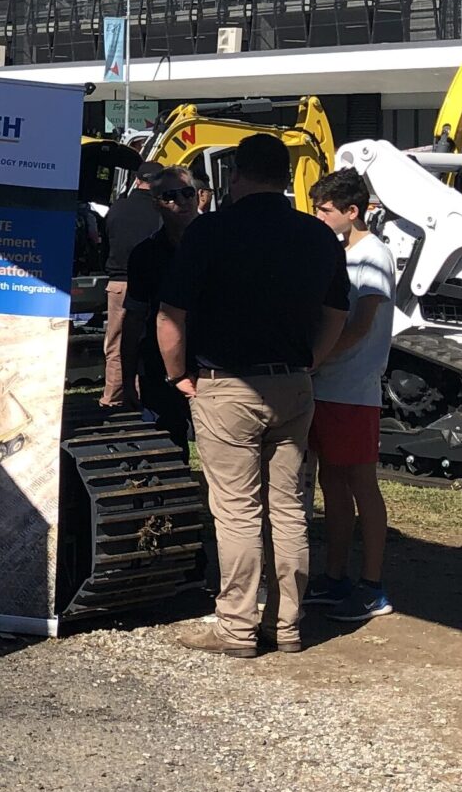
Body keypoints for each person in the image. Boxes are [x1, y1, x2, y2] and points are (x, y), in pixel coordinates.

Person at [155, 133, 350, 661]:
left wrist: (176, 376)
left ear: (237, 175)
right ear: (286, 177)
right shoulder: (318, 236)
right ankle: (287, 625)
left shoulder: (209, 231)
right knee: (288, 509)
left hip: (226, 385)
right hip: (293, 384)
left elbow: (171, 317)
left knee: (237, 511)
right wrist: (311, 361)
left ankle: (237, 627)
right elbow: (337, 313)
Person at [303, 168, 397, 622]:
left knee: (361, 484)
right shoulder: (342, 252)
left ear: (352, 210)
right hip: (327, 386)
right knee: (332, 483)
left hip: (353, 389)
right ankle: (335, 575)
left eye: (324, 210)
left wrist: (315, 358)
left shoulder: (373, 255)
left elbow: (359, 326)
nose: (318, 217)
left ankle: (373, 585)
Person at [121, 171, 203, 446]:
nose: (182, 200)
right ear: (156, 203)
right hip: (159, 364)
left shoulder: (223, 243)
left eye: (187, 193)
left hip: (214, 361)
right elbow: (133, 318)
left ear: (198, 196)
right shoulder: (145, 254)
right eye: (170, 196)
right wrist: (127, 377)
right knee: (167, 442)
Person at [99, 166, 164, 411]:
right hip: (153, 283)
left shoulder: (117, 209)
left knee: (117, 341)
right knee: (152, 339)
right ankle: (144, 393)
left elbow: (105, 243)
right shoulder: (161, 210)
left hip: (119, 282)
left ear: (137, 181)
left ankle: (113, 396)